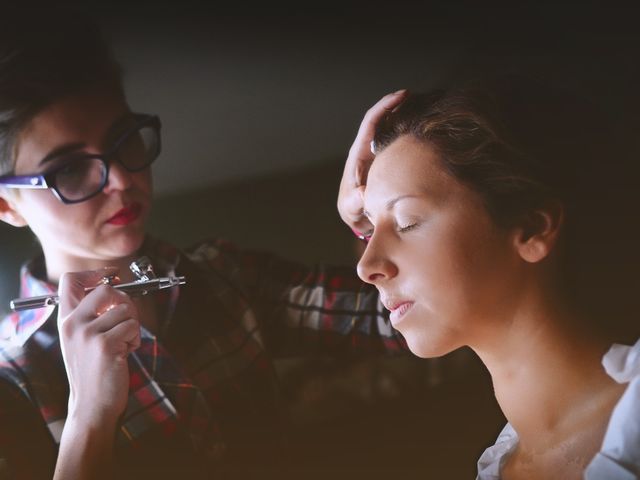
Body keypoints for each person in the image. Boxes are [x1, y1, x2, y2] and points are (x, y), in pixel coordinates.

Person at [0, 8, 410, 480]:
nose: (121, 180)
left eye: (125, 141)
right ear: (7, 206)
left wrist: (377, 225)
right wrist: (89, 418)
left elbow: (399, 321)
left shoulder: (222, 275)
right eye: (68, 169)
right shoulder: (13, 380)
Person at [337, 74, 640, 479]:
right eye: (369, 230)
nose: (365, 266)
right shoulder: (497, 470)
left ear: (531, 228)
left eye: (407, 222)